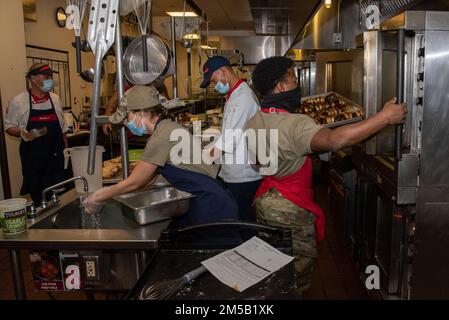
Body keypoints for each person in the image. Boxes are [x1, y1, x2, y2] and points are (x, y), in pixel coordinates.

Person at [246, 56, 407, 295]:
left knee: (274, 268)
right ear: (280, 86)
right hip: (289, 207)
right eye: (293, 79)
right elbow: (334, 141)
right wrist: (385, 117)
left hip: (265, 201)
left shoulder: (253, 121)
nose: (297, 84)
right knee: (295, 278)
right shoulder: (296, 124)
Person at [83, 85, 238, 228]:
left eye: (127, 117)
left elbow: (134, 183)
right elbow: (146, 178)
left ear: (141, 113)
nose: (126, 123)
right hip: (212, 199)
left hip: (211, 206)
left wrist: (98, 197)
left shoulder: (160, 137)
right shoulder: (167, 127)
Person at [200, 56, 262, 222]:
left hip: (243, 175)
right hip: (236, 172)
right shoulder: (234, 96)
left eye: (214, 81)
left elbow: (229, 140)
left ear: (223, 72)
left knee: (244, 223)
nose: (215, 86)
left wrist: (201, 162)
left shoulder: (242, 99)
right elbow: (228, 133)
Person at [4, 63, 68, 204]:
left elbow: (62, 129)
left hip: (56, 160)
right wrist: (21, 133)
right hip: (34, 162)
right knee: (39, 199)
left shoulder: (55, 99)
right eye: (46, 76)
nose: (50, 79)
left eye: (50, 76)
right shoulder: (19, 101)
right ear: (32, 78)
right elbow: (8, 126)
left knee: (59, 198)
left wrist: (66, 151)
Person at [102, 79, 170, 135]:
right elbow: (113, 102)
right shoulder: (125, 82)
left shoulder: (156, 83)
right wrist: (108, 115)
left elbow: (166, 105)